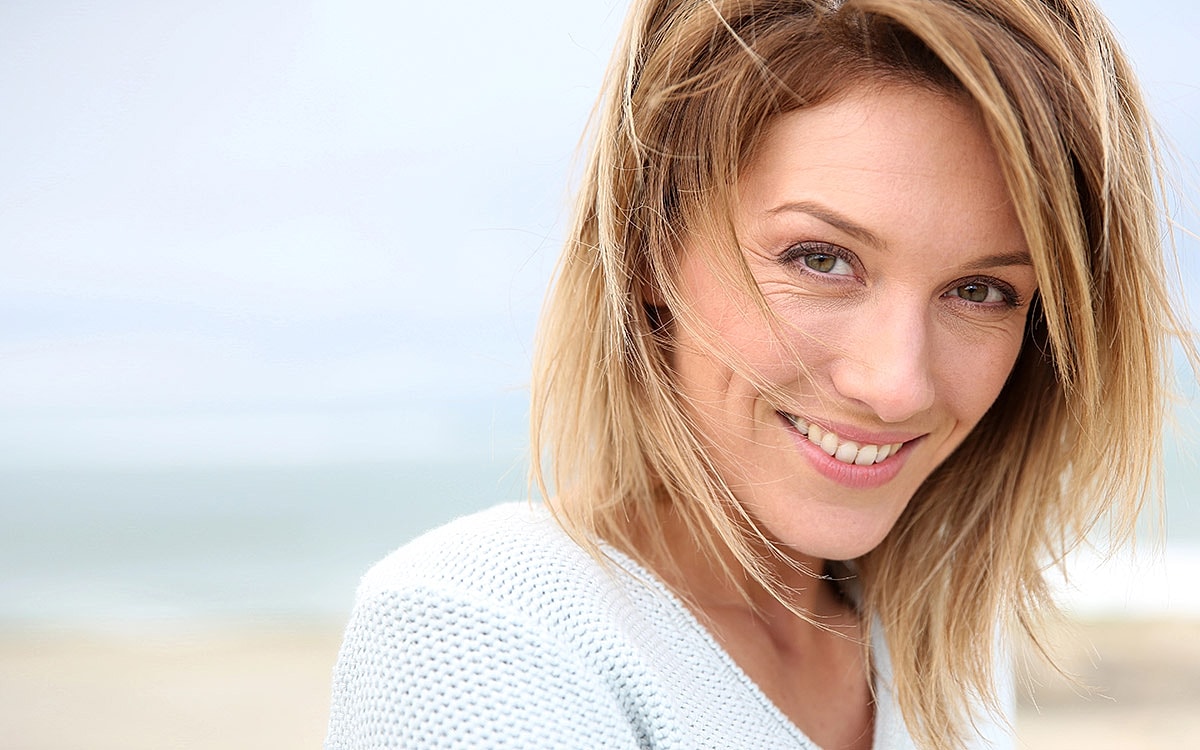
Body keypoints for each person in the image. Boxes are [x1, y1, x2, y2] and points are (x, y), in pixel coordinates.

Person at [326, 0, 1190, 747]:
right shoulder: (485, 627)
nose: (896, 385)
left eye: (981, 290)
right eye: (821, 259)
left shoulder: (940, 647)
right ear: (649, 249)